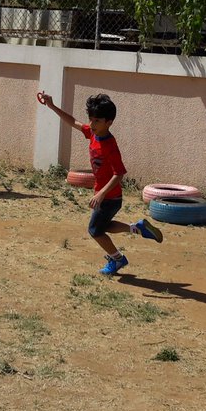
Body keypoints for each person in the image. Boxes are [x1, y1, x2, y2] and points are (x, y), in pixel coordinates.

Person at [37, 90, 163, 275]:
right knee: (103, 227)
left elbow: (119, 174)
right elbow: (73, 121)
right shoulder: (93, 133)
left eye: (97, 121)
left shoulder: (110, 146)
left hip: (110, 198)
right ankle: (138, 228)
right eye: (91, 119)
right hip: (105, 195)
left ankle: (118, 259)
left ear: (109, 122)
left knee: (95, 231)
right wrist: (51, 105)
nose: (92, 124)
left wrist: (101, 194)